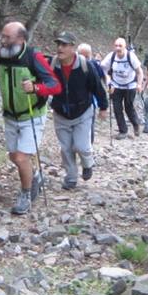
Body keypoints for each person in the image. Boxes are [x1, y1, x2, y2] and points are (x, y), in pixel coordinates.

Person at [0, 21, 61, 215]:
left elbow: (55, 85)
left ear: (20, 39)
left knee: (21, 157)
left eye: (7, 37)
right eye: (2, 36)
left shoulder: (33, 57)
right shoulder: (0, 55)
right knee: (14, 156)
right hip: (10, 115)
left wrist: (36, 88)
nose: (2, 40)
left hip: (32, 114)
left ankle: (25, 194)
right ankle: (35, 177)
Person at [49, 32, 108, 189]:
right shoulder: (52, 64)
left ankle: (88, 163)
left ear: (72, 47)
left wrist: (103, 107)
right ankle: (71, 177)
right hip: (60, 113)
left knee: (81, 146)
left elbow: (97, 86)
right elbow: (45, 84)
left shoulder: (84, 65)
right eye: (58, 44)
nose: (60, 48)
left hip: (83, 111)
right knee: (66, 148)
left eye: (64, 45)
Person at [101, 38, 144, 138]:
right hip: (116, 85)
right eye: (116, 45)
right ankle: (123, 131)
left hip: (130, 85)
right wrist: (109, 83)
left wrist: (139, 84)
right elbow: (104, 69)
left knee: (129, 107)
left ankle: (136, 124)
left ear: (125, 47)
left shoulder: (130, 56)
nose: (118, 48)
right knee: (117, 108)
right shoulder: (111, 56)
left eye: (120, 46)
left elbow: (139, 72)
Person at [77, 42, 104, 145]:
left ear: (91, 55)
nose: (85, 59)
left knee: (89, 124)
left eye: (87, 57)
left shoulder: (94, 65)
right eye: (82, 56)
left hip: (91, 100)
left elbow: (101, 78)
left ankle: (89, 146)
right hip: (77, 100)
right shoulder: (72, 64)